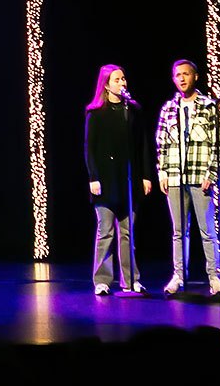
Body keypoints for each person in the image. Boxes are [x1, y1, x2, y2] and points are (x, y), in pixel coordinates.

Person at [84, 64, 154, 296]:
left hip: (129, 180)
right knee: (105, 232)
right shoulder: (95, 113)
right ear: (106, 85)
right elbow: (89, 148)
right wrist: (93, 177)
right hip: (105, 180)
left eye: (123, 78)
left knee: (127, 233)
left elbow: (142, 145)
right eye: (117, 79)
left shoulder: (132, 110)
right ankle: (102, 280)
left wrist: (146, 175)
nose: (122, 83)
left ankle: (131, 280)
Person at [156, 59, 220, 295]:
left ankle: (214, 276)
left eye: (186, 74)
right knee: (178, 231)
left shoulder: (208, 106)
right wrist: (162, 172)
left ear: (195, 76)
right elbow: (161, 142)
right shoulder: (169, 108)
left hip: (200, 176)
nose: (182, 78)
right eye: (178, 75)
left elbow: (217, 143)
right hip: (175, 176)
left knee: (207, 231)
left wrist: (211, 173)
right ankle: (179, 275)